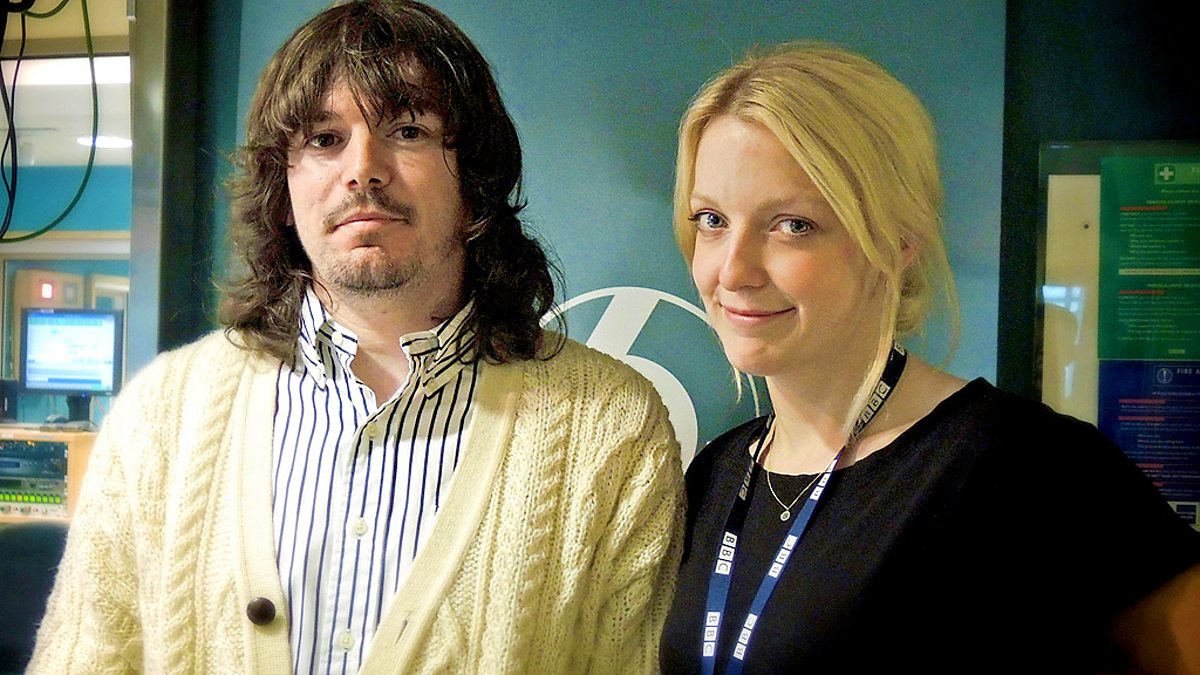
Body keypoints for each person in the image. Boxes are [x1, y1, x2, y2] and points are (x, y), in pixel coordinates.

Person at [29, 2, 684, 673]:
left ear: (476, 182)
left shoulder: (612, 428)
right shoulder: (160, 414)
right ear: (283, 188)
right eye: (323, 139)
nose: (363, 169)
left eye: (408, 129)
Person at [660, 42, 1200, 674]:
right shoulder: (719, 473)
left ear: (897, 240)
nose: (733, 270)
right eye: (711, 219)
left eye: (792, 225)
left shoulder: (1024, 467)